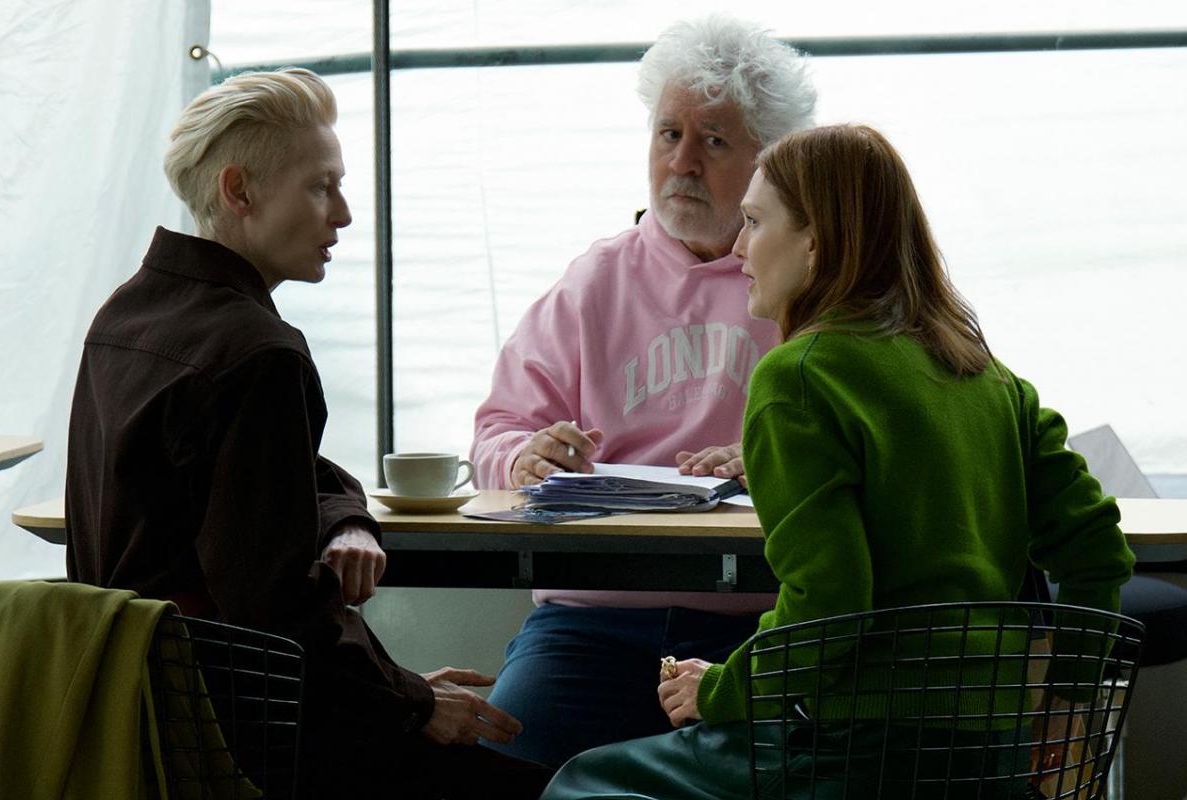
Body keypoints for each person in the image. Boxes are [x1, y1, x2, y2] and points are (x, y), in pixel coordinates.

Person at [537, 124, 1137, 799]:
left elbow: (829, 601)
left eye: (757, 222)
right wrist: (1067, 699)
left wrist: (724, 691)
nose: (738, 248)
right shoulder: (993, 380)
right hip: (987, 760)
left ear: (815, 241)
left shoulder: (798, 378)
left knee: (585, 781)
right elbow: (1096, 552)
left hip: (851, 759)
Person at [65, 68, 549, 799]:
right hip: (245, 735)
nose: (346, 213)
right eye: (322, 186)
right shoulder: (258, 351)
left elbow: (289, 481)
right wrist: (412, 701)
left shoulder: (125, 319)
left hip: (135, 714)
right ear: (240, 192)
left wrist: (348, 526)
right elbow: (276, 618)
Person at [469, 15, 817, 767]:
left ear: (770, 159)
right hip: (590, 623)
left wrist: (786, 462)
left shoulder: (811, 287)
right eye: (668, 135)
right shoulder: (595, 281)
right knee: (494, 765)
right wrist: (524, 457)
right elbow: (497, 429)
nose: (682, 162)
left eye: (714, 141)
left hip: (760, 620)